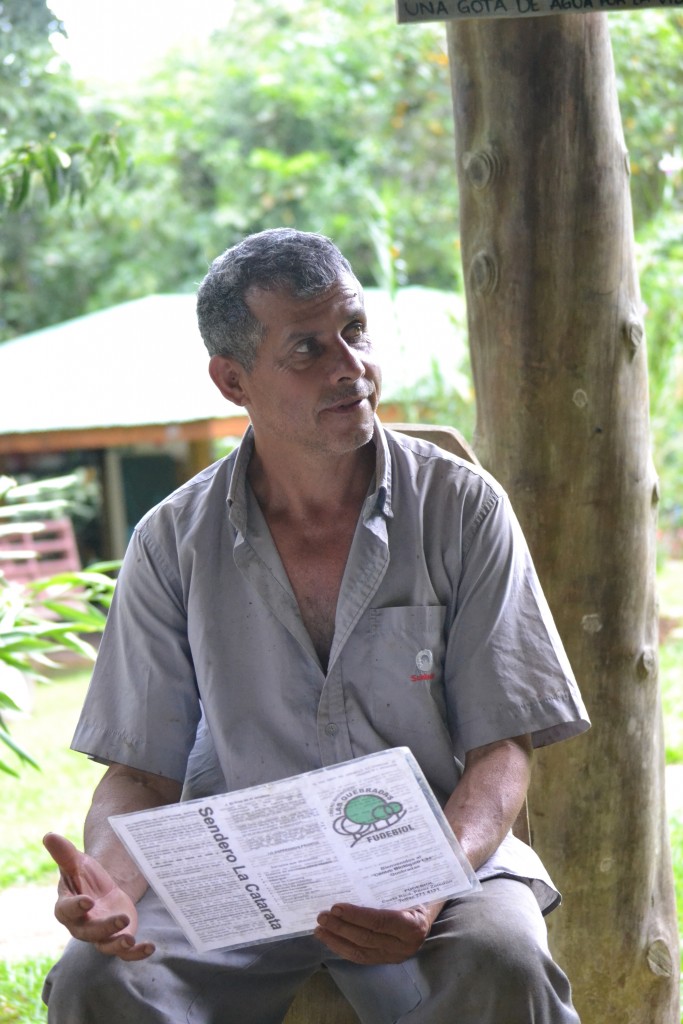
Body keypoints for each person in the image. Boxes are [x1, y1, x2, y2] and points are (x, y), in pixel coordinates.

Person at [42, 228, 590, 1024]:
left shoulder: (464, 509)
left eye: (355, 330)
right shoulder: (171, 541)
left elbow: (500, 748)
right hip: (233, 876)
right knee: (99, 981)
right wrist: (113, 884)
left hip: (438, 856)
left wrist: (426, 882)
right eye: (306, 349)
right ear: (232, 381)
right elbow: (141, 773)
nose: (351, 366)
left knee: (501, 959)